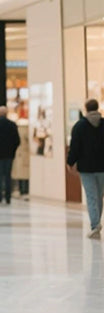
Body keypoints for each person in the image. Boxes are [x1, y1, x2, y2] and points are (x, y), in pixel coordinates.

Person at [67, 99, 104, 238]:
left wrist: (70, 162)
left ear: (86, 108)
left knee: (91, 196)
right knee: (99, 195)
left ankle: (95, 225)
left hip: (86, 167)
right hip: (102, 167)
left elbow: (75, 146)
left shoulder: (79, 126)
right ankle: (96, 223)